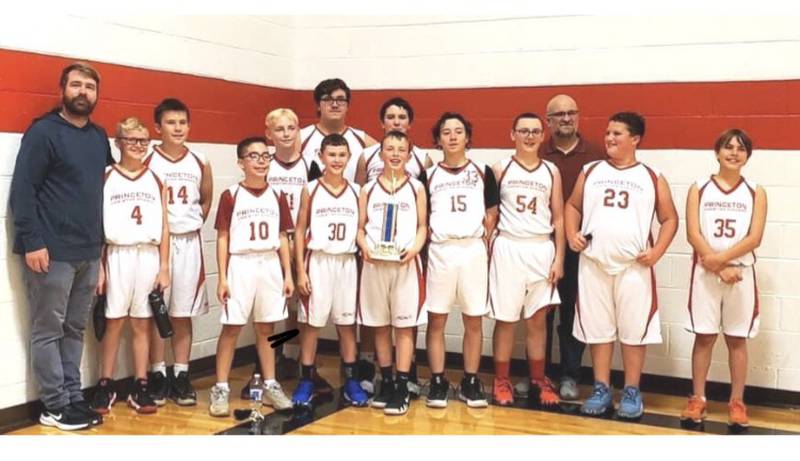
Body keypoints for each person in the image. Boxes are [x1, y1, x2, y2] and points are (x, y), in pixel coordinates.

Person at [10, 61, 111, 430]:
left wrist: (100, 253)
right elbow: (23, 190)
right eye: (77, 85)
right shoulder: (43, 133)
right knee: (48, 330)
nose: (83, 92)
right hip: (50, 253)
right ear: (63, 90)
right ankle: (53, 406)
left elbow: (100, 196)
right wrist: (33, 241)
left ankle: (72, 398)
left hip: (88, 252)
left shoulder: (99, 137)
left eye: (90, 87)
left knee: (74, 330)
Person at [565, 112, 678, 419]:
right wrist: (571, 234)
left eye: (617, 133)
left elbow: (670, 218)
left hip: (633, 267)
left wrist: (657, 252)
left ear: (635, 139)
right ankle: (601, 388)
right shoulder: (591, 171)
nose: (609, 138)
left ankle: (631, 390)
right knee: (598, 331)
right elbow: (572, 206)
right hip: (593, 263)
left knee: (633, 332)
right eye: (607, 133)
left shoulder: (652, 176)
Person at [516, 94, 605, 400]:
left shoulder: (596, 154)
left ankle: (569, 375)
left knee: (570, 314)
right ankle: (537, 376)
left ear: (578, 117)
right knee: (539, 315)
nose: (566, 118)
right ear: (548, 121)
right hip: (541, 247)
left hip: (580, 249)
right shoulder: (535, 152)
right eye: (559, 114)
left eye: (571, 113)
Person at [238, 108, 329, 400]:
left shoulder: (311, 166)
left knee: (302, 311)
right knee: (268, 314)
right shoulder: (265, 166)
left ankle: (302, 365)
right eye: (280, 129)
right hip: (272, 247)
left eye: (292, 127)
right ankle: (265, 368)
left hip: (301, 243)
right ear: (269, 134)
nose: (287, 134)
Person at [679, 129, 767, 428]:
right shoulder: (699, 187)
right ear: (717, 152)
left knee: (737, 339)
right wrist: (716, 265)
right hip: (706, 273)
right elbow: (693, 233)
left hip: (740, 274)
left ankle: (737, 401)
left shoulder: (756, 190)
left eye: (740, 148)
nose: (733, 152)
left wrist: (724, 260)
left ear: (747, 156)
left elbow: (754, 237)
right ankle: (698, 398)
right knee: (704, 337)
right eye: (728, 147)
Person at [209, 137, 295, 417]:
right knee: (232, 327)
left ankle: (270, 383)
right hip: (241, 264)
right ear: (240, 162)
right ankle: (221, 387)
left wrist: (288, 274)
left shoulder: (278, 195)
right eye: (253, 156)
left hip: (269, 264)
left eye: (265, 156)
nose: (260, 161)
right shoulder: (231, 194)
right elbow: (222, 238)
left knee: (267, 329)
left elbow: (283, 237)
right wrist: (222, 277)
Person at [91, 117, 170, 416]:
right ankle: (105, 383)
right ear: (118, 143)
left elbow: (165, 226)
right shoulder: (106, 176)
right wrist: (100, 267)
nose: (138, 145)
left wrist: (164, 265)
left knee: (142, 322)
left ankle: (141, 383)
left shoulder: (157, 178)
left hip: (148, 255)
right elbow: (97, 224)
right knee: (113, 321)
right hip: (117, 254)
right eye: (132, 140)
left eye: (143, 140)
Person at [354, 96, 430, 396]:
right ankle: (386, 379)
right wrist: (365, 247)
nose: (395, 154)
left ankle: (402, 379)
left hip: (406, 263)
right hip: (375, 263)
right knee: (379, 325)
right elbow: (359, 228)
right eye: (390, 149)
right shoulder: (368, 187)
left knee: (405, 324)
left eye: (401, 150)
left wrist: (414, 249)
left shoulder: (417, 186)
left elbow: (424, 226)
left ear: (408, 153)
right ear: (381, 152)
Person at [424, 112, 499, 409]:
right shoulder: (428, 175)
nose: (453, 136)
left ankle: (470, 380)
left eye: (458, 131)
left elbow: (492, 211)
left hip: (472, 250)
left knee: (473, 319)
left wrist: (482, 234)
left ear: (468, 137)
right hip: (441, 250)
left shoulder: (483, 170)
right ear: (438, 138)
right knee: (437, 319)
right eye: (446, 132)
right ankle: (438, 380)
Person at [489, 113, 564, 407]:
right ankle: (501, 380)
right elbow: (491, 215)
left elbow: (558, 217)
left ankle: (537, 379)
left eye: (535, 131)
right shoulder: (500, 168)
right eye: (523, 131)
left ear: (543, 135)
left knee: (536, 321)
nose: (530, 136)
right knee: (506, 320)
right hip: (508, 247)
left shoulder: (551, 171)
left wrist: (559, 258)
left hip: (541, 249)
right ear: (512, 134)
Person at [144, 98, 213, 407]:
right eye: (171, 123)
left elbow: (207, 198)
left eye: (183, 122)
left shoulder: (200, 159)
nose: (178, 128)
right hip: (158, 245)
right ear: (158, 127)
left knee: (182, 312)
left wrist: (193, 222)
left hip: (189, 242)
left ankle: (181, 373)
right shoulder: (148, 158)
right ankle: (157, 373)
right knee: (158, 312)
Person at [292, 134, 369, 407]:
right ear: (321, 156)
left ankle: (350, 380)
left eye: (341, 155)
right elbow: (300, 230)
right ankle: (307, 380)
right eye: (331, 155)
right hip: (318, 261)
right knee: (312, 325)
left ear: (348, 158)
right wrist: (300, 271)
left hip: (347, 262)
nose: (336, 160)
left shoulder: (358, 191)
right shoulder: (310, 189)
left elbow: (361, 229)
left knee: (347, 325)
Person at [299, 78, 377, 182]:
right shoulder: (301, 138)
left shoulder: (363, 140)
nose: (335, 105)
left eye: (340, 99)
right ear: (318, 105)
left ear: (347, 106)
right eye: (328, 99)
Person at [355, 96, 432, 184]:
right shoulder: (366, 156)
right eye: (391, 117)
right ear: (382, 123)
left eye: (402, 117)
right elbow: (359, 194)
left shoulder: (423, 160)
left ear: (409, 123)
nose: (396, 122)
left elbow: (426, 196)